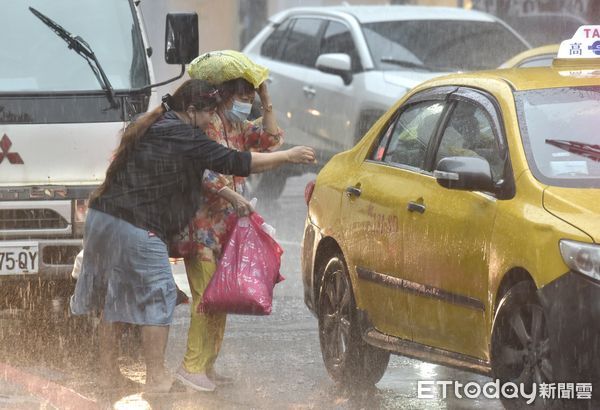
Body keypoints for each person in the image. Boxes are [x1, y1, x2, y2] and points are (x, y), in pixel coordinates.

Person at [69, 79, 315, 393]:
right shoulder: (185, 136)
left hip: (102, 218)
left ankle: (107, 374)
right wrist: (287, 156)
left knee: (114, 296)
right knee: (159, 296)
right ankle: (156, 377)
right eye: (208, 113)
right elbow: (235, 161)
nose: (211, 119)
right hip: (137, 224)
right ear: (192, 110)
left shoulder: (153, 123)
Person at [175, 77, 282, 392]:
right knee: (204, 300)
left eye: (251, 94)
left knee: (219, 299)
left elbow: (272, 139)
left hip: (227, 229)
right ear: (226, 94)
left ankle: (206, 365)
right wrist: (235, 197)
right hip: (202, 227)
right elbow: (205, 173)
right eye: (243, 93)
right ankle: (190, 366)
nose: (247, 100)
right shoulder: (206, 127)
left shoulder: (237, 128)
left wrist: (267, 98)